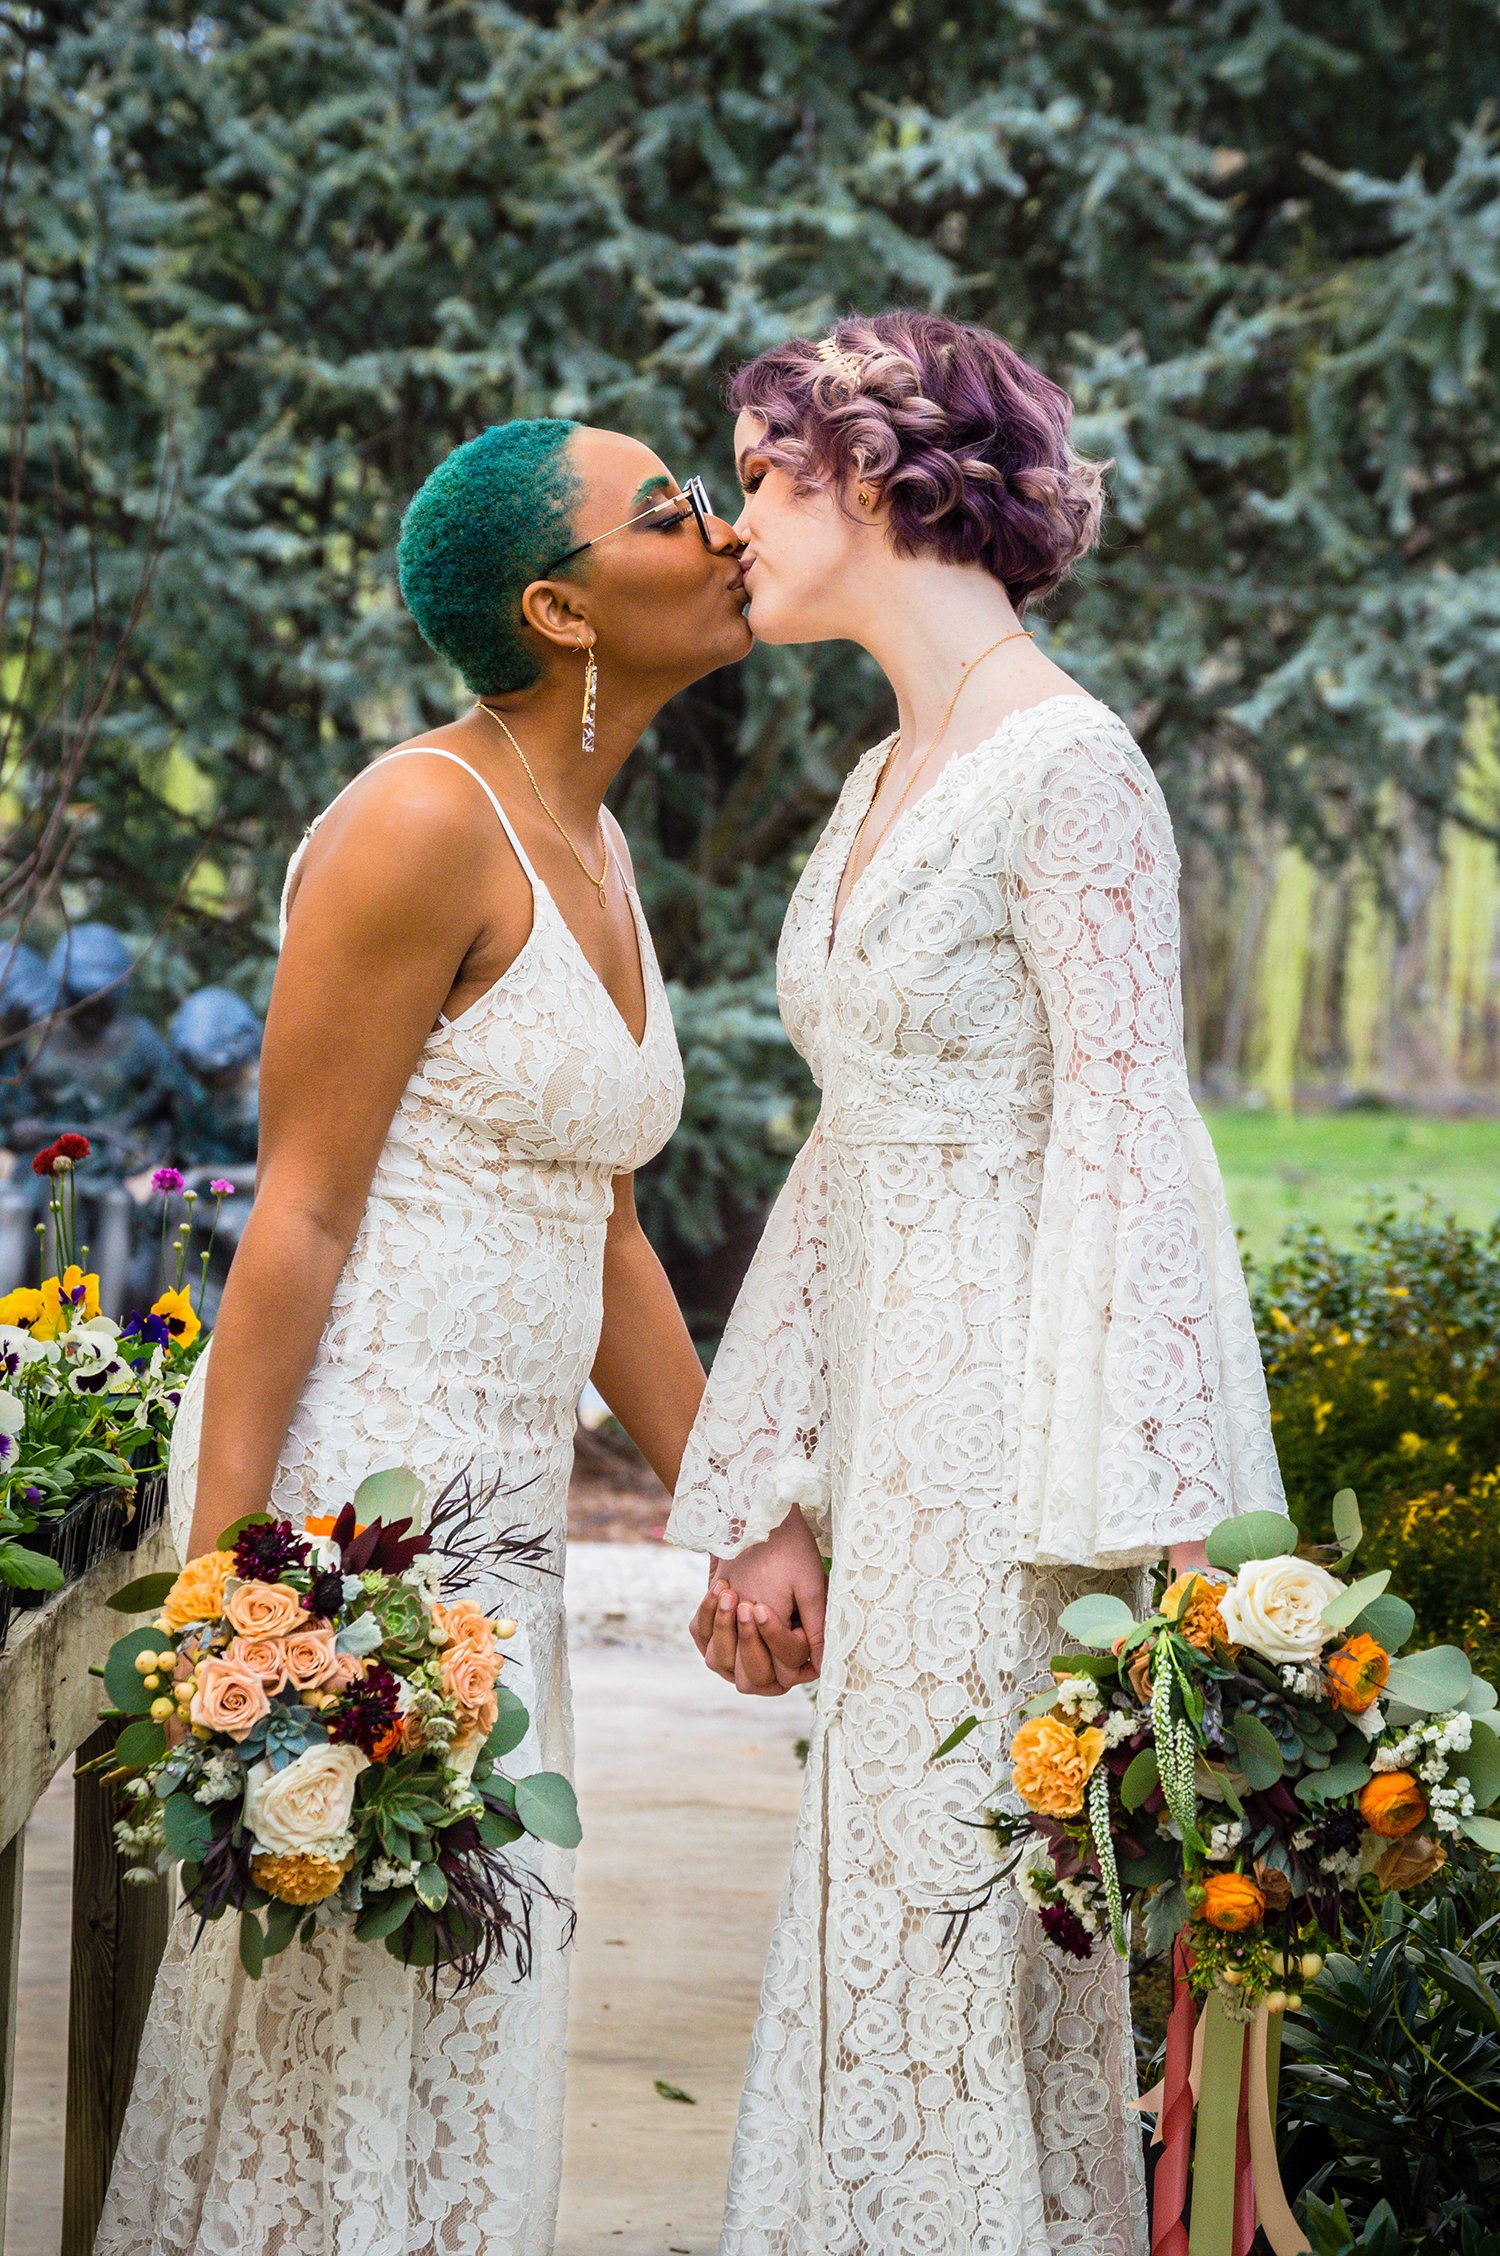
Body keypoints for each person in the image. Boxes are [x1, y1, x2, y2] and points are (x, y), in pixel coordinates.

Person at [667, 314, 1287, 2256]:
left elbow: (1135, 1143)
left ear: (874, 475)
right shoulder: (879, 779)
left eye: (762, 475)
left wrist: (1157, 1546)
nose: (732, 522)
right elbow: (846, 1156)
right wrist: (767, 1483)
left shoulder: (1070, 769)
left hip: (1022, 1492)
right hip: (888, 1459)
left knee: (966, 1955)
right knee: (875, 1949)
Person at [95, 418, 746, 2256]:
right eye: (665, 510)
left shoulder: (596, 846)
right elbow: (292, 1211)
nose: (719, 526)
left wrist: (741, 1517)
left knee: (470, 1997)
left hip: (504, 1531)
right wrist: (235, 1581)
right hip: (355, 1519)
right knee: (330, 2026)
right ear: (560, 607)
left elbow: (608, 1230)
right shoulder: (417, 822)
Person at [170, 985, 263, 1168]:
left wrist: (206, 1175)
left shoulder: (265, 1091)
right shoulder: (192, 1090)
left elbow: (283, 1174)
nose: (209, 1083)